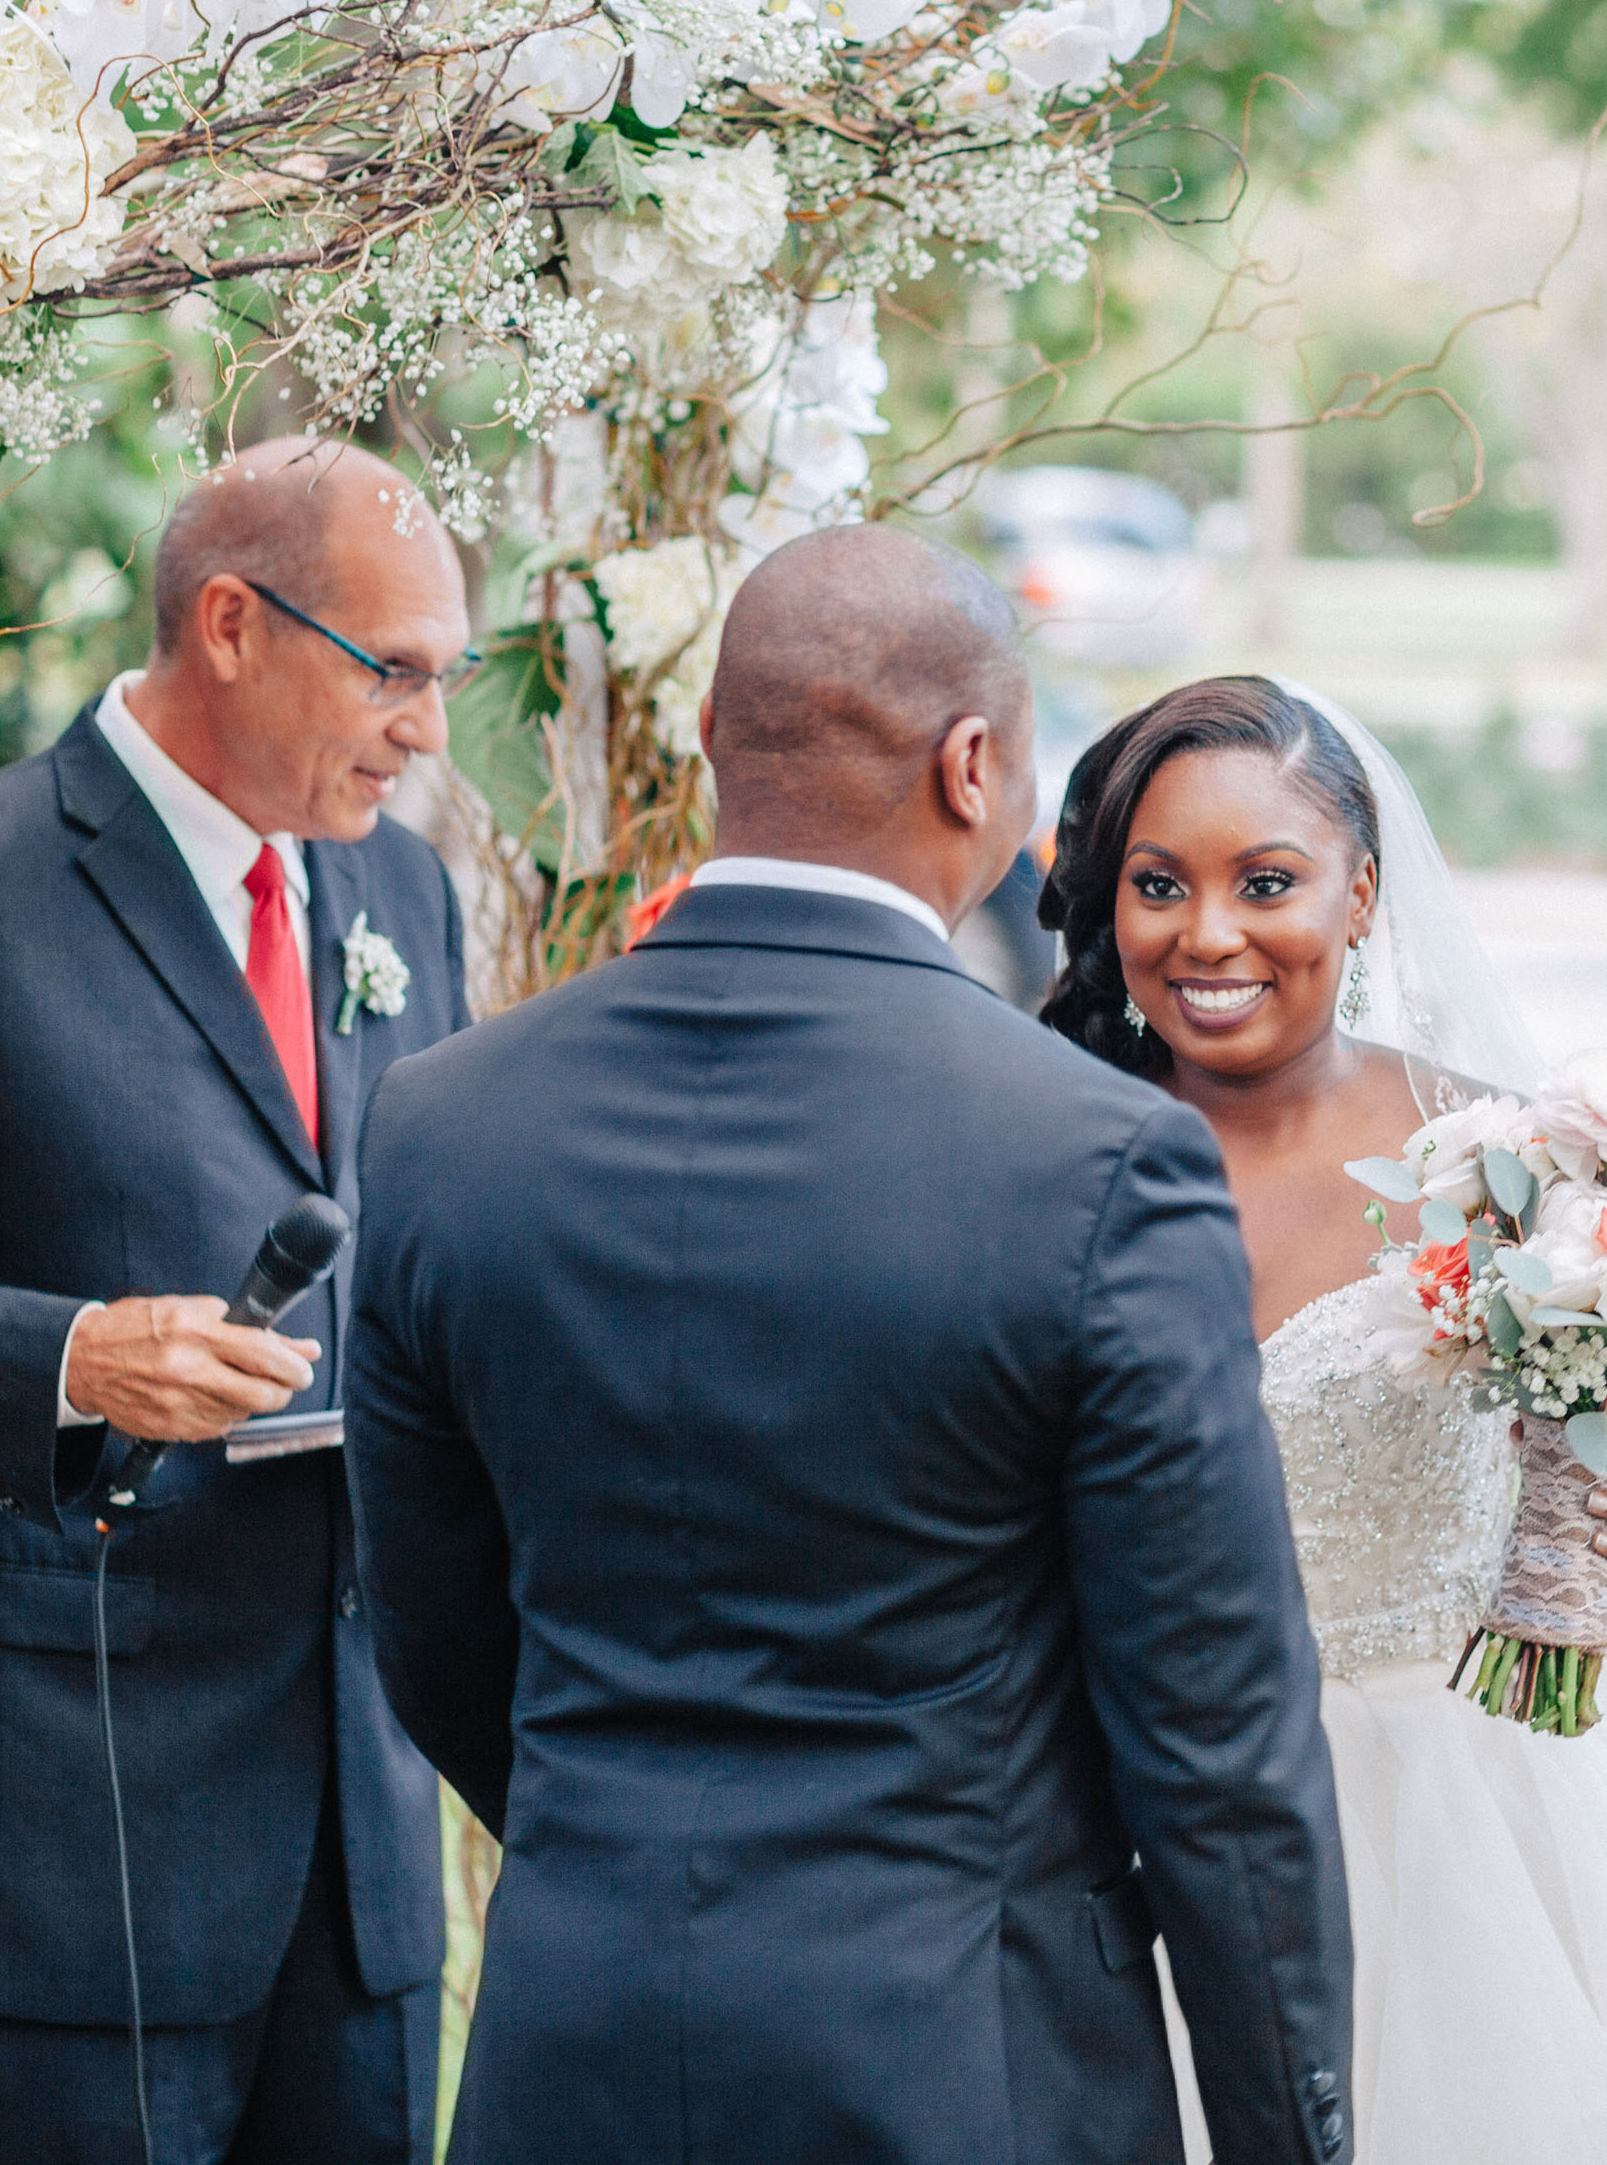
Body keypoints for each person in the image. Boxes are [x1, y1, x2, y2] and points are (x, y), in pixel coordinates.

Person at [341, 528, 1351, 2165]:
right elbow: (1219, 1748)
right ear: (974, 767)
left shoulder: (448, 1122)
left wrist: (621, 1850)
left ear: (717, 746)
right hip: (964, 2060)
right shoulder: (1097, 1167)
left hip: (572, 2040)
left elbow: (434, 1628)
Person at [1037, 674, 1607, 2165]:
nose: (1207, 934)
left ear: (1365, 892)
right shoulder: (1050, 1155)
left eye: (1268, 882)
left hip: (1471, 1823)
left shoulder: (1508, 1164)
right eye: (1158, 884)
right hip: (1134, 1810)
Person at [0, 438, 476, 2162]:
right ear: (230, 623)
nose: (427, 728)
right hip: (58, 1828)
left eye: (448, 676)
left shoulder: (402, 894)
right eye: (398, 672)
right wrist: (63, 1360)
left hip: (359, 1842)